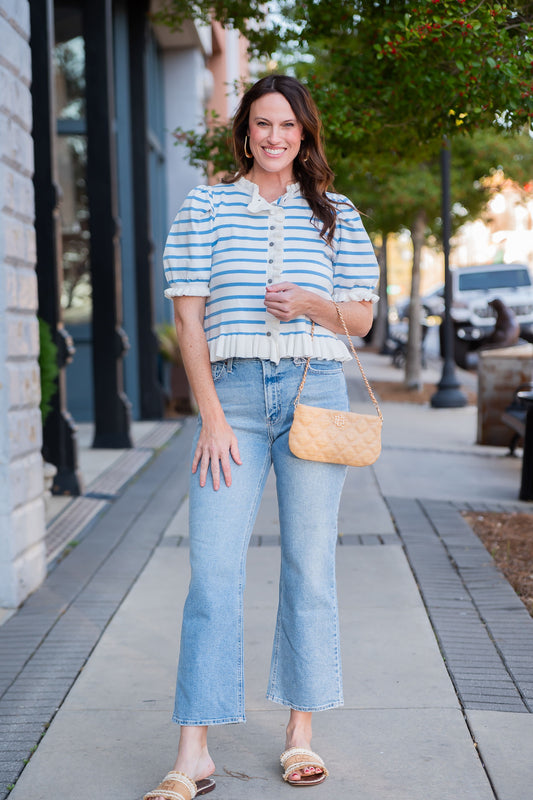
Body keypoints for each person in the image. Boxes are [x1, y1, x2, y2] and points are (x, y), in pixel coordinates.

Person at [144, 74, 379, 800]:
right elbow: (188, 320)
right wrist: (211, 416)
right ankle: (194, 753)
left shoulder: (334, 212)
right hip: (233, 401)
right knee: (212, 573)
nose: (274, 137)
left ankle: (299, 735)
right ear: (244, 133)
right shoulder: (207, 205)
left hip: (314, 391)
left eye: (287, 126)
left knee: (309, 569)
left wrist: (312, 303)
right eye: (261, 124)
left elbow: (362, 318)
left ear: (304, 135)